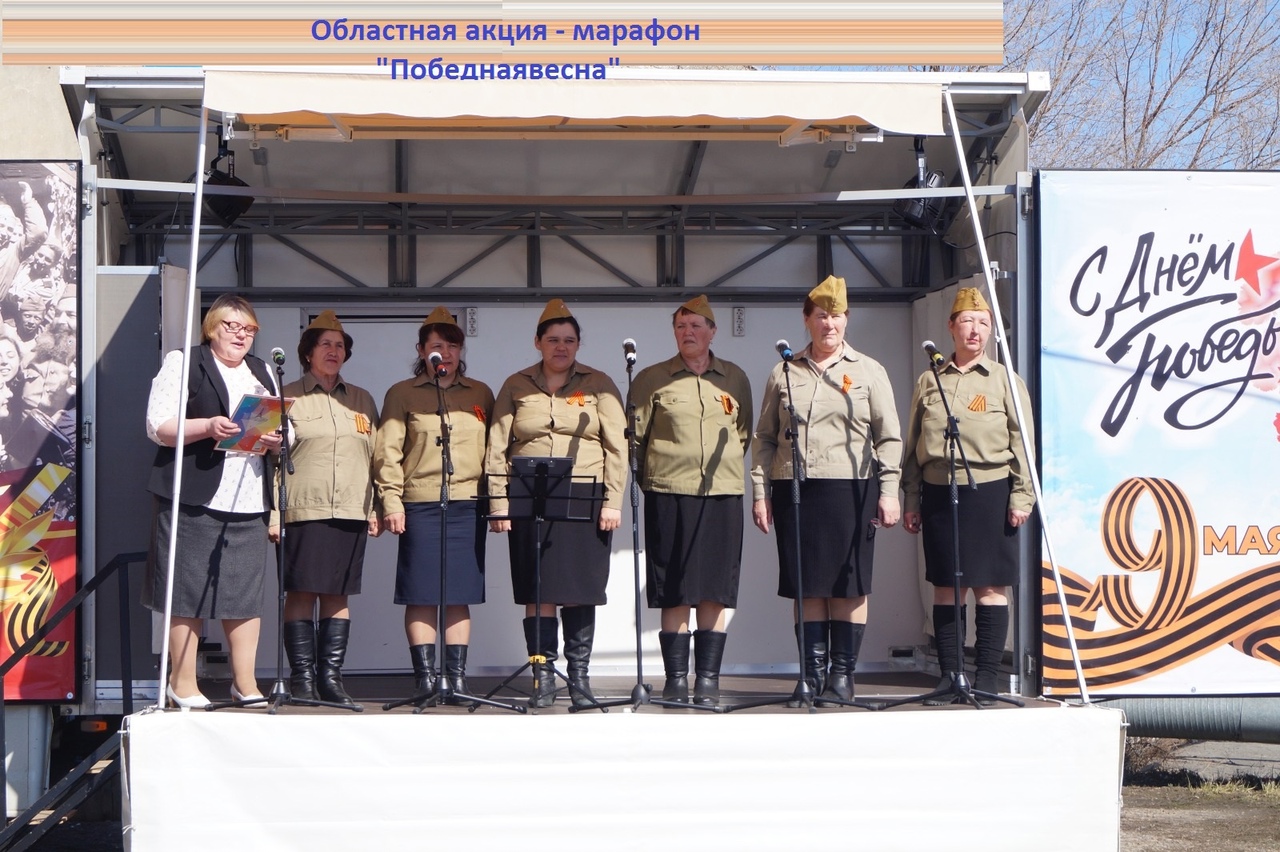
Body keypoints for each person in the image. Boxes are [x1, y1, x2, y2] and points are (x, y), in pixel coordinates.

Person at [751, 275, 902, 704]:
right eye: (821, 316)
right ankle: (810, 676)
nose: (829, 324)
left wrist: (888, 491)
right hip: (795, 488)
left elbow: (888, 436)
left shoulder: (869, 371)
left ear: (846, 320)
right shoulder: (784, 371)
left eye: (836, 316)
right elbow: (764, 437)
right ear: (807, 320)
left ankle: (842, 676)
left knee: (849, 584)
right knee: (808, 584)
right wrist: (761, 492)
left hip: (852, 488)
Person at [144, 293, 281, 708]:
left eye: (249, 329)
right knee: (186, 591)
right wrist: (207, 426)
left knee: (244, 593)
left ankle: (245, 683)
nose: (242, 336)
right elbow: (157, 425)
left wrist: (277, 438)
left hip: (249, 496)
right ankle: (182, 683)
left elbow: (276, 421)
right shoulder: (185, 362)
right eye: (232, 327)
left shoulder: (261, 371)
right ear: (211, 328)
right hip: (194, 495)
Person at [486, 299, 625, 708]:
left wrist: (612, 501)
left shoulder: (599, 383)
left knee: (580, 587)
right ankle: (542, 676)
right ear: (537, 343)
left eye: (568, 340)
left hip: (584, 494)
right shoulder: (515, 384)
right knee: (537, 587)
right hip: (530, 495)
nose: (560, 347)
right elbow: (497, 447)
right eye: (552, 340)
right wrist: (498, 503)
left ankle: (579, 677)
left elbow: (618, 447)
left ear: (578, 344)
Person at [901, 287, 1035, 705]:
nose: (975, 331)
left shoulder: (1003, 379)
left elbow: (1023, 442)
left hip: (990, 491)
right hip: (940, 493)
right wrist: (911, 498)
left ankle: (988, 679)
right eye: (967, 322)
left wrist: (1021, 497)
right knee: (946, 587)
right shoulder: (930, 380)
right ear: (951, 328)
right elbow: (912, 445)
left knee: (991, 588)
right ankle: (951, 676)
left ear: (991, 331)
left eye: (983, 324)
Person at [629, 295, 752, 705]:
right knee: (674, 587)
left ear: (713, 332)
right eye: (681, 327)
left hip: (721, 492)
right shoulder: (651, 378)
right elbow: (636, 441)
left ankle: (709, 679)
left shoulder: (734, 378)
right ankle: (676, 680)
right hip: (669, 493)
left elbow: (743, 433)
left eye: (697, 326)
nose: (689, 333)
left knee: (716, 586)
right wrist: (656, 480)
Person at [374, 306, 493, 703]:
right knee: (421, 593)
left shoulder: (480, 393)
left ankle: (456, 680)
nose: (447, 352)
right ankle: (425, 680)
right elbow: (386, 452)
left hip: (467, 502)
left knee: (459, 593)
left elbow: (493, 452)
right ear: (422, 350)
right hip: (420, 503)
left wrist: (496, 503)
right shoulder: (402, 394)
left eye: (453, 345)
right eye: (437, 345)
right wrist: (391, 501)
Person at [270, 311, 380, 708]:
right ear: (307, 353)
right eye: (325, 345)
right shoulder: (287, 396)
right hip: (301, 508)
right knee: (301, 593)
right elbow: (270, 461)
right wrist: (273, 515)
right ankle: (302, 681)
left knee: (338, 594)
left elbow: (376, 456)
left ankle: (330, 680)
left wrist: (375, 508)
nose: (334, 352)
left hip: (351, 508)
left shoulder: (362, 400)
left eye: (340, 345)